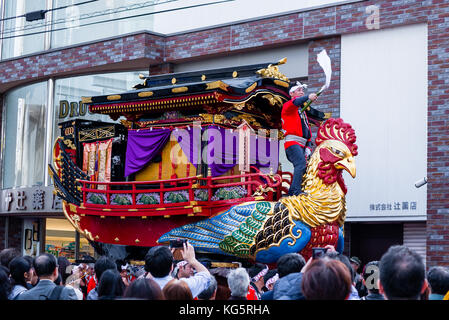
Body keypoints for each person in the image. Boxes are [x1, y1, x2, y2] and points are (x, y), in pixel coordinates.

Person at [281, 81, 318, 196]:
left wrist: (308, 145)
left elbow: (306, 130)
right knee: (301, 164)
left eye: (303, 91)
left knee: (304, 166)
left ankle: (296, 190)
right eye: (299, 90)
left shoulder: (300, 112)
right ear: (291, 93)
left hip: (302, 144)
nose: (302, 92)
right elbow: (296, 102)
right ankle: (295, 192)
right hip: (292, 143)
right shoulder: (288, 106)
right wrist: (308, 97)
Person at [144, 242, 210, 298]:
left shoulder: (140, 287)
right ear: (171, 267)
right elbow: (206, 277)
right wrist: (192, 260)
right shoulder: (183, 287)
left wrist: (162, 259)